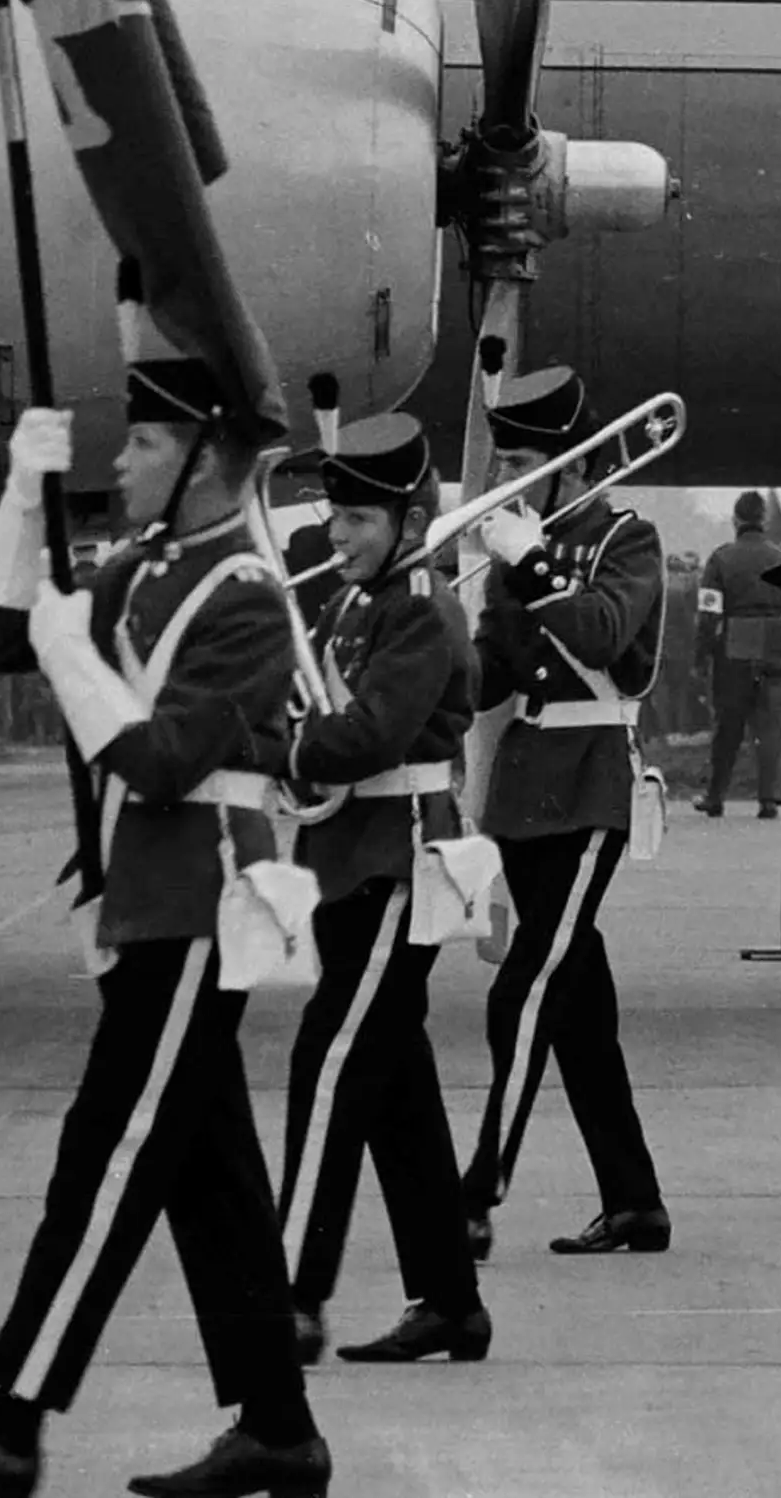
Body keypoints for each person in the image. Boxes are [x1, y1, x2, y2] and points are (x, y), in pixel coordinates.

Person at [0, 297, 327, 1498]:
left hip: (198, 905)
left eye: (141, 444)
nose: (118, 462)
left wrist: (75, 651)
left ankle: (14, 1421)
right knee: (210, 1180)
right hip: (144, 904)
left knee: (110, 1159)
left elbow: (162, 762)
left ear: (206, 461)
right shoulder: (146, 568)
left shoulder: (245, 597)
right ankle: (280, 1429)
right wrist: (20, 501)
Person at [269, 414, 493, 1369]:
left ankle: (292, 1294)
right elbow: (317, 710)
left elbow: (366, 739)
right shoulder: (354, 601)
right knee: (396, 1093)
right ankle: (450, 1301)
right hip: (350, 859)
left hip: (397, 861)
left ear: (409, 520)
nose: (338, 535)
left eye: (357, 518)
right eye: (334, 515)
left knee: (326, 1064)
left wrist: (272, 747)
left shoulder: (422, 609)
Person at [457, 364, 670, 1261]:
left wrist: (529, 560)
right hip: (529, 788)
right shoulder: (518, 552)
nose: (505, 477)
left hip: (590, 784)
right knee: (579, 1009)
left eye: (519, 460)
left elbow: (599, 636)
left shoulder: (628, 536)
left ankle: (477, 1192)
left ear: (567, 465)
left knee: (526, 987)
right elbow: (490, 677)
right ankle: (635, 1202)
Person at [694, 492, 781, 820]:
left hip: (734, 649)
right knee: (771, 728)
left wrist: (702, 655)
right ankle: (768, 800)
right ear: (764, 520)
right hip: (776, 649)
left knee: (728, 728)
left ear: (736, 520)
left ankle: (715, 796)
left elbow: (708, 614)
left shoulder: (721, 559)